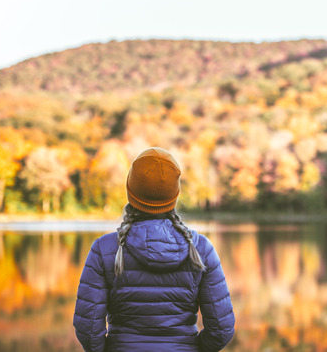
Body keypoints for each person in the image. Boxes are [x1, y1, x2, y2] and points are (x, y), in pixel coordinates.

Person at [73, 147, 235, 352]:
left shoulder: (104, 249)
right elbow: (221, 330)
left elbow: (88, 329)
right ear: (175, 195)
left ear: (131, 192)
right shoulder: (201, 248)